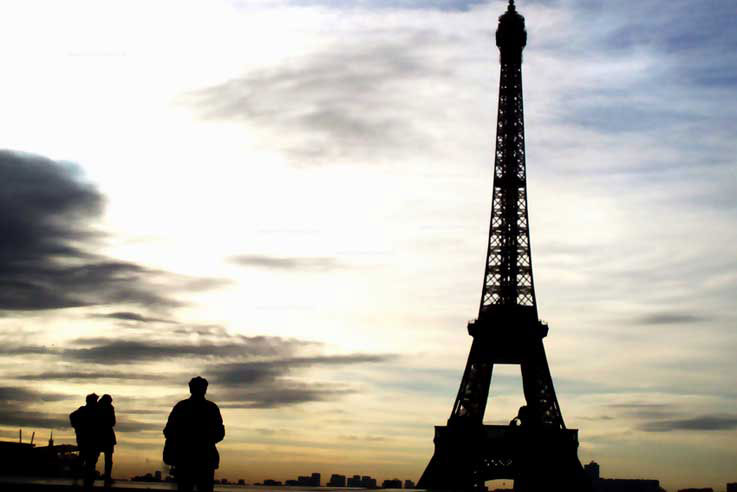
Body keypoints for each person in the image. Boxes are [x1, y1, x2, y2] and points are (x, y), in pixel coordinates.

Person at [164, 376, 225, 492]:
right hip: (204, 458)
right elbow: (220, 433)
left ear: (190, 389)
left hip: (185, 458)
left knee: (185, 487)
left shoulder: (181, 407)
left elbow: (168, 431)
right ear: (205, 389)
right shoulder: (211, 408)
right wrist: (206, 441)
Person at [70, 393, 100, 491]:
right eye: (95, 400)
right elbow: (72, 416)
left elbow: (72, 416)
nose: (96, 402)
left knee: (87, 457)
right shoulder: (86, 410)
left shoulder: (86, 410)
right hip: (87, 438)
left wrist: (76, 427)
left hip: (87, 438)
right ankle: (84, 476)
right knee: (88, 458)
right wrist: (77, 427)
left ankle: (81, 476)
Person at [97, 394, 117, 486]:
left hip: (98, 435)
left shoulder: (97, 407)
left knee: (93, 457)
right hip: (107, 435)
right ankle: (107, 476)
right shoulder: (110, 408)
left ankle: (89, 475)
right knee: (108, 458)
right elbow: (113, 422)